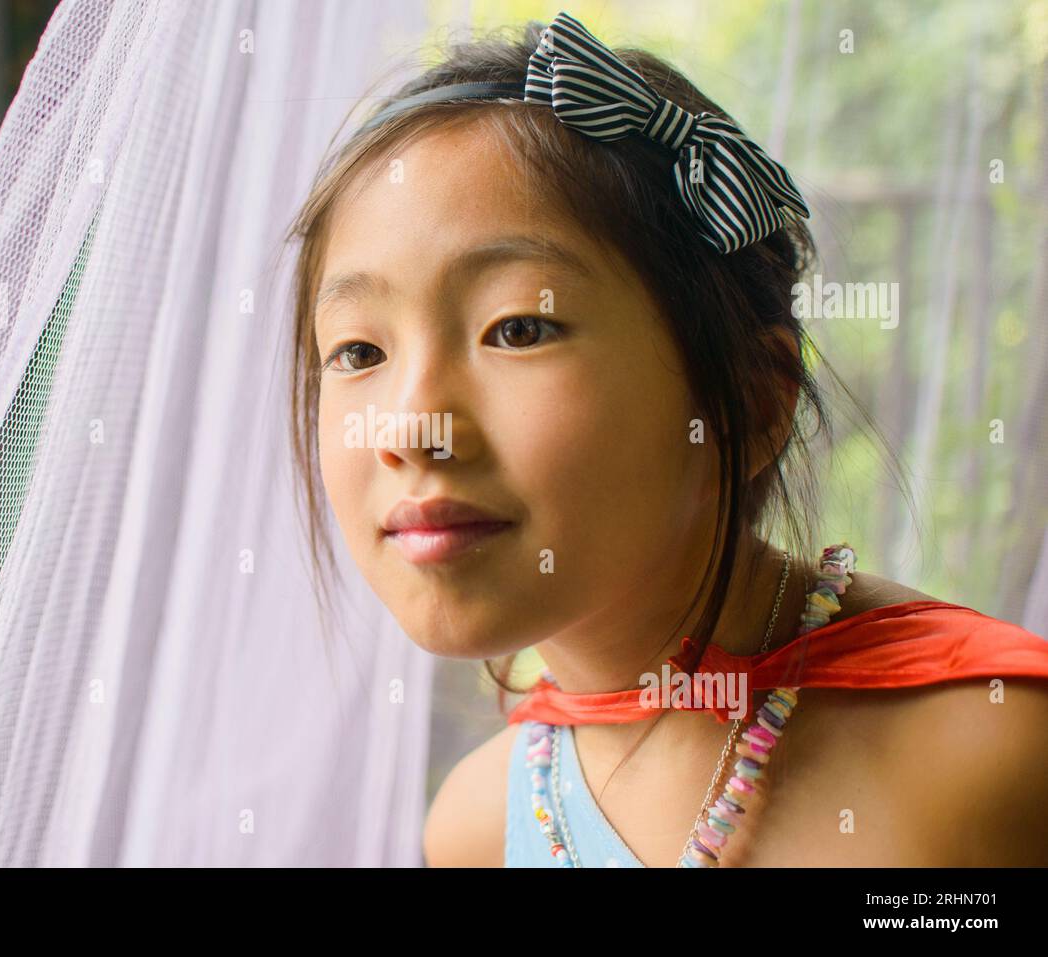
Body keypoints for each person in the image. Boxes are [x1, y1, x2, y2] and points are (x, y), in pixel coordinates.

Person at [284, 11, 1048, 867]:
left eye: (519, 329)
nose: (410, 429)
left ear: (750, 404)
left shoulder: (992, 755)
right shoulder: (479, 825)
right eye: (358, 351)